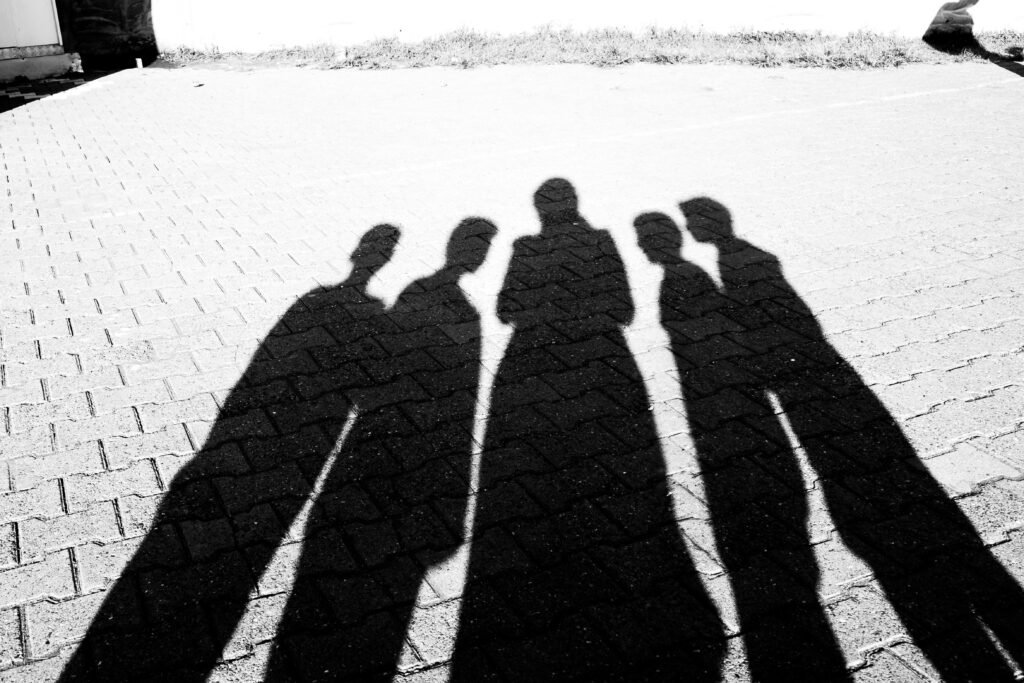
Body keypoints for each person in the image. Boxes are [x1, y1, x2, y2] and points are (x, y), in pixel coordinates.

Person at [451, 180, 725, 682]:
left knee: (523, 482)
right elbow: (625, 310)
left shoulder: (523, 249)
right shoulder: (601, 242)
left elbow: (505, 311)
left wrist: (545, 308)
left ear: (538, 211)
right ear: (575, 208)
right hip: (607, 368)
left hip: (528, 369)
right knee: (630, 481)